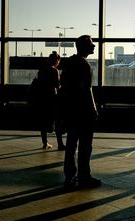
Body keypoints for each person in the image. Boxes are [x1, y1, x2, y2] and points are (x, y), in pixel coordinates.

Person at [60, 35, 101, 188]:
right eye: (91, 44)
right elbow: (87, 89)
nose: (94, 46)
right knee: (85, 145)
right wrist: (93, 108)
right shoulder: (85, 66)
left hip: (71, 109)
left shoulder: (70, 63)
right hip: (83, 110)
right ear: (83, 46)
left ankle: (69, 176)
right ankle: (84, 176)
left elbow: (64, 86)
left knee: (71, 144)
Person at [35, 51, 65, 150]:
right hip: (53, 98)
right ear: (56, 61)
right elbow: (57, 86)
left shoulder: (42, 70)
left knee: (43, 121)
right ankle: (60, 144)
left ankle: (45, 143)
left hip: (42, 98)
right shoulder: (54, 71)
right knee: (57, 121)